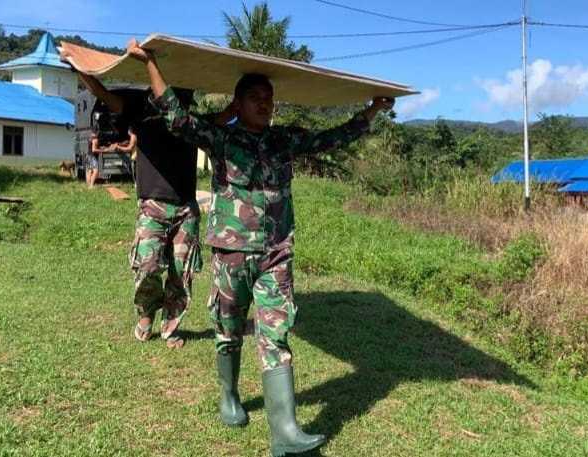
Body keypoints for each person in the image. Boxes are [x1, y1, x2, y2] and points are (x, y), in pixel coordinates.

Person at [126, 38, 394, 456]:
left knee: (275, 332)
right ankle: (229, 396)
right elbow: (177, 119)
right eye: (255, 98)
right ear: (238, 102)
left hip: (276, 253)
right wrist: (151, 65)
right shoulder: (220, 138)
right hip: (231, 254)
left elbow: (333, 138)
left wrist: (372, 112)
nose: (265, 104)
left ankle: (285, 431)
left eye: (269, 99)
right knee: (229, 331)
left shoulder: (283, 140)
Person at [74, 70, 203, 349]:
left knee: (182, 273)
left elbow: (226, 117)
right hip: (152, 206)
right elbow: (102, 94)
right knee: (147, 266)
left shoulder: (192, 122)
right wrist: (79, 70)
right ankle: (145, 316)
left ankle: (171, 327)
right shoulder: (141, 112)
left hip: (186, 209)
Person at [88, 122, 135, 189]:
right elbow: (94, 150)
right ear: (97, 132)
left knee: (90, 170)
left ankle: (89, 184)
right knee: (96, 171)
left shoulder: (91, 138)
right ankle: (91, 185)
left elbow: (93, 148)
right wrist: (104, 150)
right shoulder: (95, 139)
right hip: (92, 156)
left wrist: (102, 148)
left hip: (90, 156)